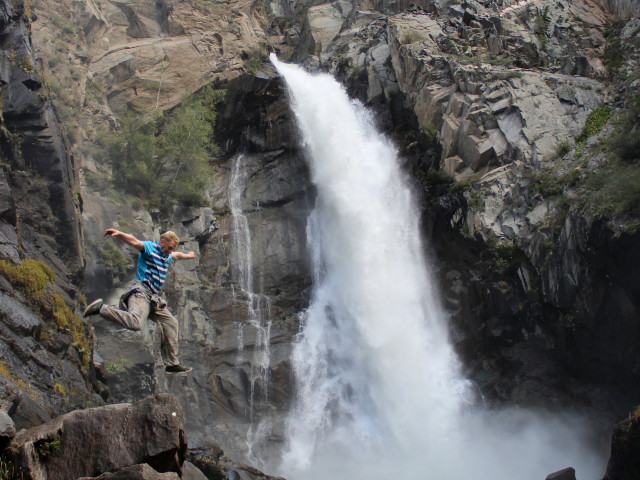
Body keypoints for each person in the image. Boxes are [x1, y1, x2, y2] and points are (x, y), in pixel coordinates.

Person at [84, 228, 195, 374]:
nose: (169, 251)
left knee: (171, 323)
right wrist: (119, 234)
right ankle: (101, 309)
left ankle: (172, 364)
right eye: (168, 247)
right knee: (135, 323)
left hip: (154, 299)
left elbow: (176, 255)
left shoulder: (166, 256)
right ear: (162, 242)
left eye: (171, 249)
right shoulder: (150, 248)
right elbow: (134, 241)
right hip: (141, 292)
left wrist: (188, 255)